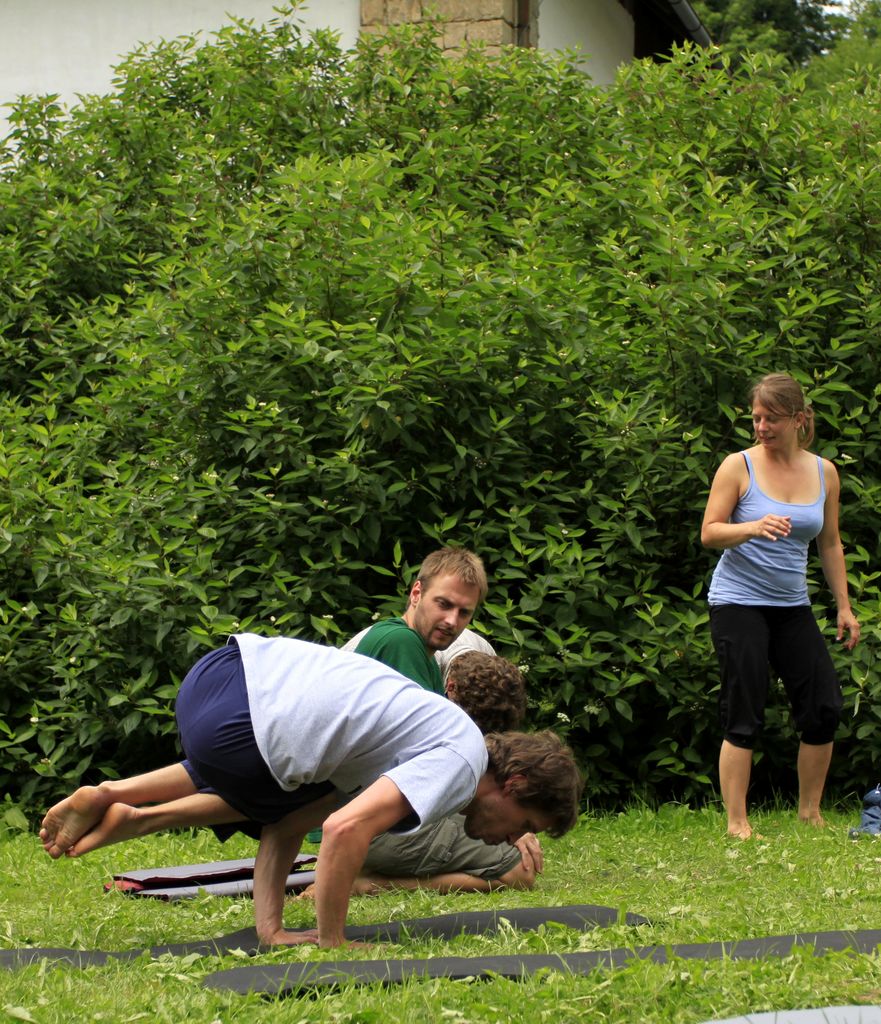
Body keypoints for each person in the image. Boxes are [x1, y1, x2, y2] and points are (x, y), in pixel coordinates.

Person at [41, 634, 583, 947]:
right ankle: (127, 810)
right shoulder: (463, 760)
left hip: (216, 678)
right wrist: (332, 940)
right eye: (526, 823)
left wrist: (272, 932)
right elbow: (347, 830)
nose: (515, 838)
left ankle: (112, 795)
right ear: (513, 783)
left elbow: (290, 826)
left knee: (286, 794)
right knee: (279, 780)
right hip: (242, 730)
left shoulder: (419, 733)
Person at [700, 372, 860, 839]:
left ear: (799, 419)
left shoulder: (824, 472)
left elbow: (830, 543)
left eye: (771, 418)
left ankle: (810, 812)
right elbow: (710, 531)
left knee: (823, 706)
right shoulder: (739, 466)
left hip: (792, 605)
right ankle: (737, 821)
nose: (761, 427)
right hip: (738, 602)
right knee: (744, 707)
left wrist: (843, 607)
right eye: (756, 417)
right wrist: (750, 527)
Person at [348, 546, 489, 693]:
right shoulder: (400, 641)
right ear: (416, 594)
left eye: (464, 613)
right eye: (444, 604)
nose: (452, 621)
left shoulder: (429, 661)